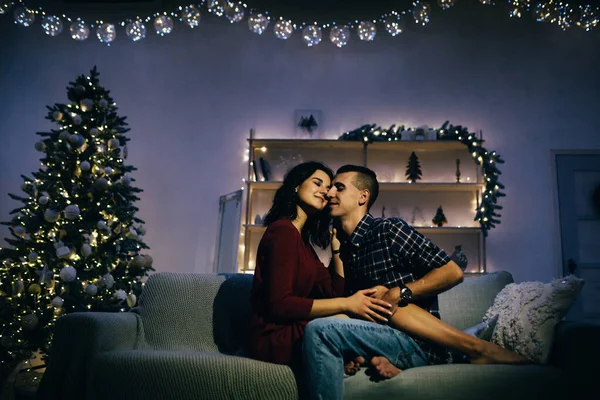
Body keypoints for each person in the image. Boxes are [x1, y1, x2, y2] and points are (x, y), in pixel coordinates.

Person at [302, 164, 528, 400]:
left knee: (332, 324)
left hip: (418, 342)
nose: (329, 193)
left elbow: (452, 272)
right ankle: (379, 358)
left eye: (339, 188)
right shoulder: (344, 249)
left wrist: (399, 293)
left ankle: (474, 349)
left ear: (363, 196)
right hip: (377, 337)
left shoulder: (388, 230)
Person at [247, 162, 394, 370]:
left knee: (348, 320)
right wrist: (347, 304)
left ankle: (365, 357)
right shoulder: (282, 232)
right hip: (272, 336)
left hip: (293, 327)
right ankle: (395, 357)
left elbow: (334, 291)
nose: (325, 192)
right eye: (318, 183)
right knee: (343, 319)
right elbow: (280, 304)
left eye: (328, 188)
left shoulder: (303, 243)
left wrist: (337, 249)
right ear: (296, 186)